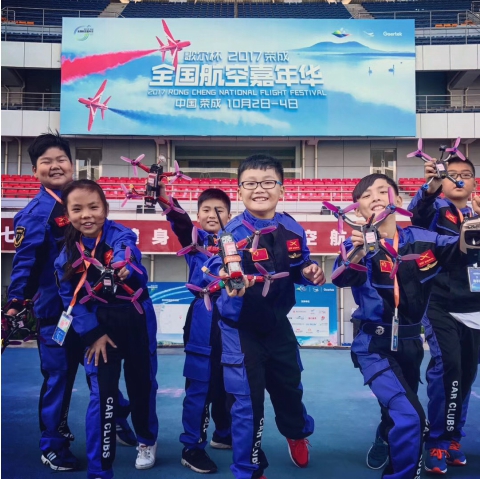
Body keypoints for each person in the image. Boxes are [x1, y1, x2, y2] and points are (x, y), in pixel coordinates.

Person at [332, 173, 477, 479]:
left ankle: (385, 435)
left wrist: (473, 230)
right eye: (366, 195)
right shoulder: (354, 244)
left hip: (411, 345)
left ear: (397, 201)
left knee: (399, 407)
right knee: (411, 417)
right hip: (373, 346)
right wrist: (359, 252)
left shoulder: (422, 239)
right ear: (357, 208)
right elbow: (341, 277)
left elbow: (460, 248)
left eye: (382, 191)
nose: (374, 197)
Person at [5, 133, 135, 472]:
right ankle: (53, 444)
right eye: (46, 162)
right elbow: (25, 264)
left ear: (72, 164)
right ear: (34, 171)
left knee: (102, 373)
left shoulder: (86, 200)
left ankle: (116, 417)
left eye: (61, 159)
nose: (55, 166)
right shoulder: (35, 213)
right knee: (59, 378)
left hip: (94, 310)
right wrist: (15, 302)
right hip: (56, 315)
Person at [204, 154, 325, 479]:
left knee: (289, 388)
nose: (260, 189)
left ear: (281, 189)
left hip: (278, 324)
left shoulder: (292, 227)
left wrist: (310, 272)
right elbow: (217, 269)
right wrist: (228, 281)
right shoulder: (230, 233)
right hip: (239, 328)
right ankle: (249, 468)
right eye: (251, 183)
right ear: (239, 191)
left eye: (268, 182)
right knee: (247, 401)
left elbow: (300, 265)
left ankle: (296, 433)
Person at [54, 180, 159, 479]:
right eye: (77, 209)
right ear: (67, 214)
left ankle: (146, 440)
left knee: (142, 386)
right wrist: (93, 334)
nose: (86, 215)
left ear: (106, 208)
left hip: (136, 321)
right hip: (99, 328)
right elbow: (69, 298)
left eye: (93, 207)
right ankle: (100, 469)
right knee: (102, 396)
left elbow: (128, 250)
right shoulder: (66, 255)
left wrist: (126, 264)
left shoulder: (120, 234)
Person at [407, 157, 480, 474]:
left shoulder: (477, 213)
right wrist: (431, 187)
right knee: (448, 366)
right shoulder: (435, 210)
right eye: (452, 175)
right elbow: (417, 214)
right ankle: (436, 440)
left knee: (466, 372)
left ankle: (453, 438)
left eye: (466, 174)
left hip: (474, 305)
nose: (459, 179)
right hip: (439, 303)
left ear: (474, 182)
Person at [158, 185, 232, 473]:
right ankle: (192, 447)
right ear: (198, 216)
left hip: (234, 314)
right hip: (204, 314)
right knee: (200, 381)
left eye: (219, 210)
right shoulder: (195, 238)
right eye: (206, 210)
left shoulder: (238, 239)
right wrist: (164, 197)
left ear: (230, 215)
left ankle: (224, 434)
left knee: (231, 378)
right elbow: (179, 221)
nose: (212, 214)